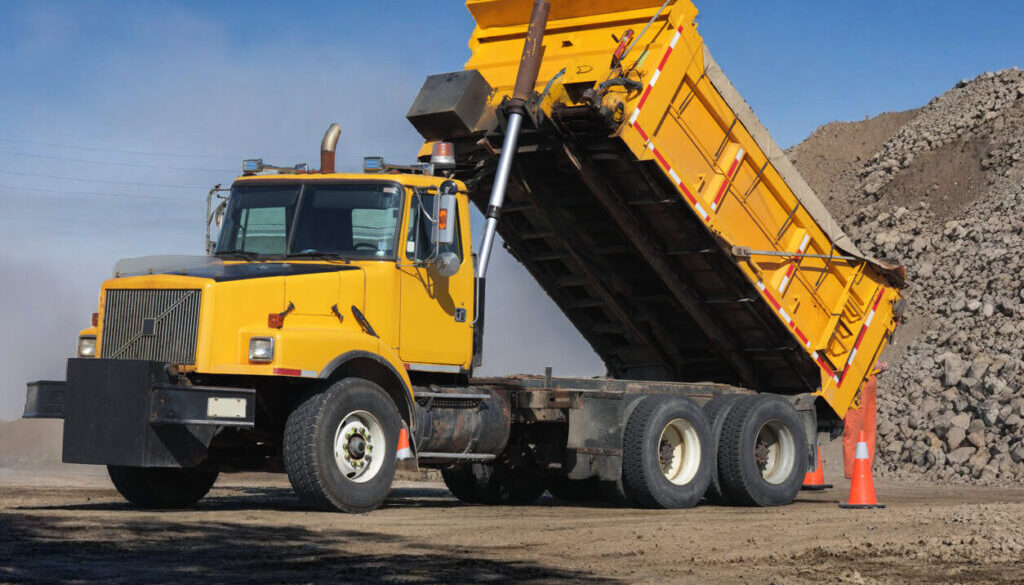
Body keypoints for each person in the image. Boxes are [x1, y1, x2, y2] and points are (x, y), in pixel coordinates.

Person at [843, 362, 888, 479]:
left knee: (868, 429)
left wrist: (877, 365)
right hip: (858, 378)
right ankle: (853, 470)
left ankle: (864, 468)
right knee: (854, 428)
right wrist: (872, 365)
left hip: (869, 378)